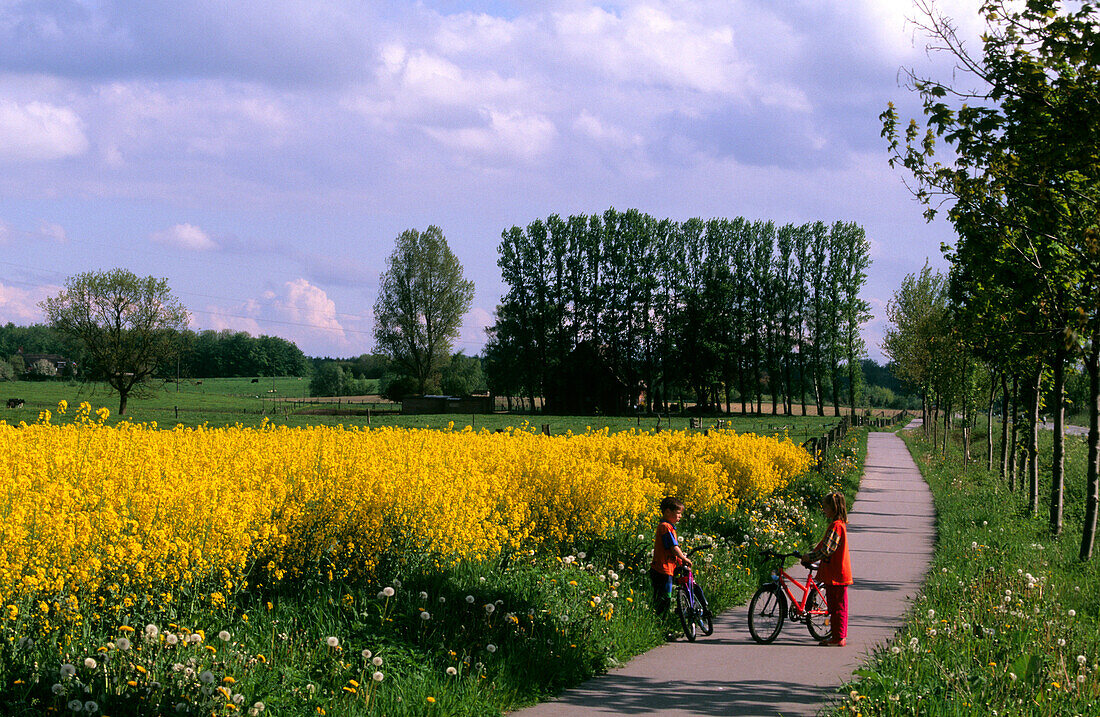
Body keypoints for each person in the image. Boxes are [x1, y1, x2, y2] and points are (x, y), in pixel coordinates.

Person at [801, 492, 852, 646]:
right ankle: (838, 636)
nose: (824, 510)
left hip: (838, 573)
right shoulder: (837, 525)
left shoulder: (836, 526)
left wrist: (810, 557)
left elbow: (827, 549)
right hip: (834, 573)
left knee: (838, 607)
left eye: (826, 507)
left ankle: (838, 638)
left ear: (834, 508)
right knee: (835, 606)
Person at [650, 496, 692, 621]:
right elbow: (673, 547)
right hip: (662, 569)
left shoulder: (669, 527)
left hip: (667, 568)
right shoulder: (665, 527)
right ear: (668, 511)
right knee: (664, 598)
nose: (680, 517)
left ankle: (660, 621)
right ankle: (659, 622)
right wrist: (684, 558)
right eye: (678, 513)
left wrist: (679, 561)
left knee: (664, 597)